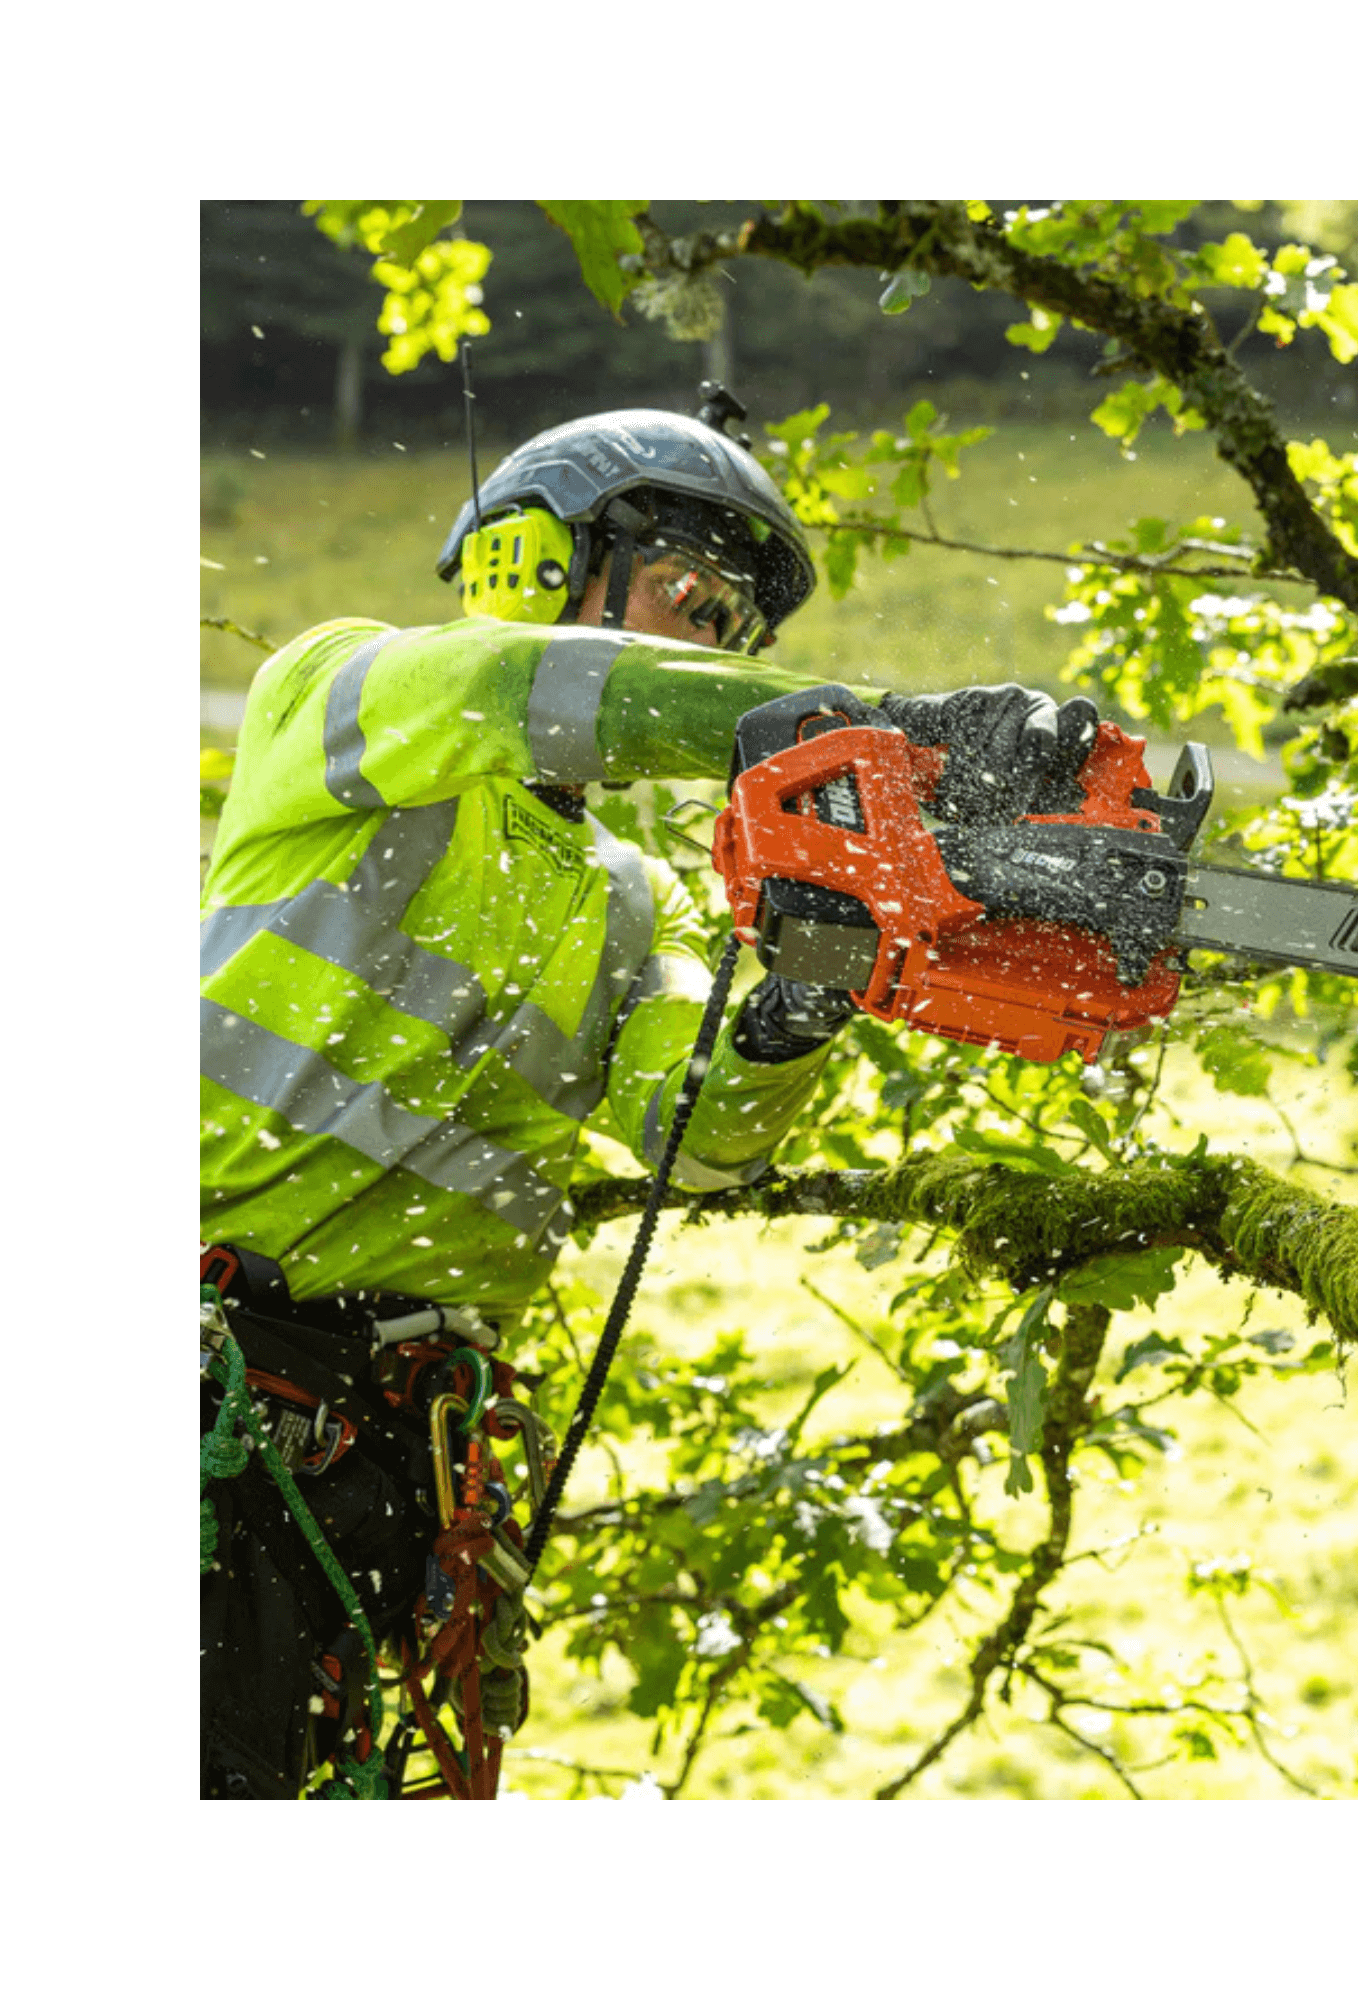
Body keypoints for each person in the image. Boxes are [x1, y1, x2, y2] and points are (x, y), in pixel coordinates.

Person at [199, 396, 1098, 1797]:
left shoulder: (642, 898)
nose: (708, 643)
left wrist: (806, 989)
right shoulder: (348, 693)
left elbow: (701, 1133)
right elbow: (522, 689)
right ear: (540, 563)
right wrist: (869, 735)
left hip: (382, 1444)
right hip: (210, 1365)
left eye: (737, 630)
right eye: (691, 597)